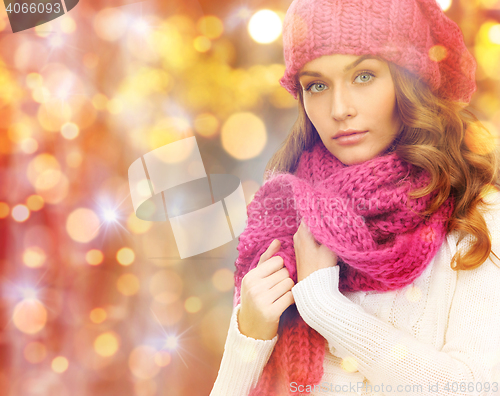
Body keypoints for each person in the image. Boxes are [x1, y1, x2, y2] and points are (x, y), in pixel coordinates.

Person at [210, 0, 500, 395]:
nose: (339, 109)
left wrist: (323, 307)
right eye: (317, 85)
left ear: (409, 79)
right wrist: (250, 333)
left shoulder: (477, 216)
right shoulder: (284, 217)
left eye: (363, 76)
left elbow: (477, 389)